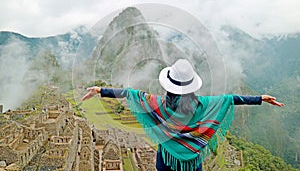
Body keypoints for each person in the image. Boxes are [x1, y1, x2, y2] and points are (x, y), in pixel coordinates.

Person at [81, 59, 284, 171]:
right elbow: (231, 99)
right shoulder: (203, 105)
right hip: (193, 162)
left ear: (169, 83)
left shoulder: (158, 103)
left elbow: (130, 93)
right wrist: (260, 98)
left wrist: (100, 90)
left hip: (166, 159)